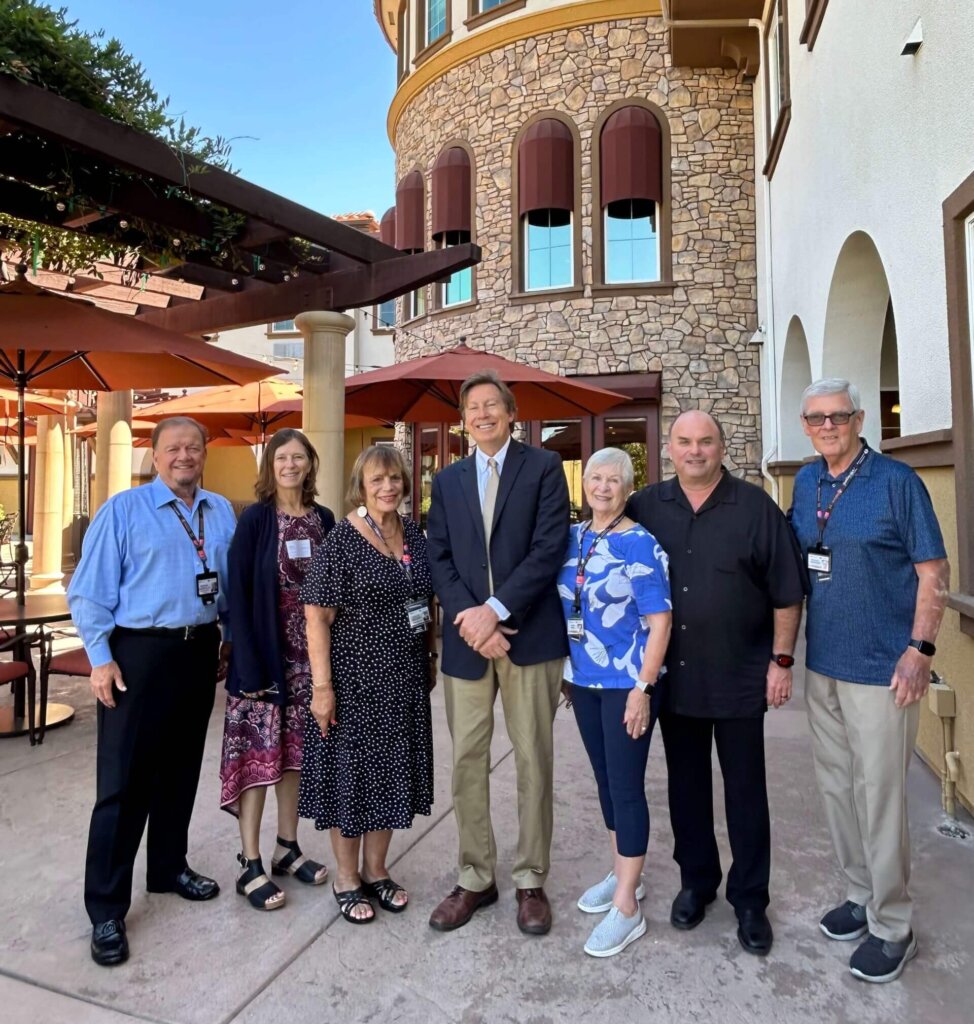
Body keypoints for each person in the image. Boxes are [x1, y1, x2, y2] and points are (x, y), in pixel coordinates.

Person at [627, 410, 806, 957]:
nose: (695, 451)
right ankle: (697, 883)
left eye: (706, 441)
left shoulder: (755, 509)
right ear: (670, 449)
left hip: (739, 677)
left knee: (746, 793)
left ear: (721, 447)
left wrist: (781, 660)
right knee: (685, 790)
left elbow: (787, 591)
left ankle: (750, 899)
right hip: (675, 681)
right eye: (684, 441)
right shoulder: (645, 507)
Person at [789, 378, 948, 983]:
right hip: (824, 663)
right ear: (805, 426)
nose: (827, 426)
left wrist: (920, 649)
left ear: (859, 419)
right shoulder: (807, 483)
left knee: (878, 796)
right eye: (816, 418)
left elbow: (933, 572)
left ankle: (893, 925)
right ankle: (860, 894)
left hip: (885, 670)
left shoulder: (897, 483)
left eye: (838, 416)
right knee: (836, 788)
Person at [68, 416, 235, 967]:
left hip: (196, 651)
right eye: (173, 448)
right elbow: (88, 592)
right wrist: (99, 659)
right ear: (156, 456)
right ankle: (107, 910)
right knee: (123, 783)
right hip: (137, 654)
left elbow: (228, 585)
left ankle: (167, 868)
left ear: (204, 452)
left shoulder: (221, 510)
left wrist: (228, 638)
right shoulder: (124, 510)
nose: (184, 455)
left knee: (181, 769)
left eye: (193, 446)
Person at [426, 369, 570, 936]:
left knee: (533, 756)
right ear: (462, 422)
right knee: (467, 761)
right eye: (472, 408)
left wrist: (498, 610)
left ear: (511, 413)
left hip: (528, 638)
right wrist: (473, 619)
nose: (482, 414)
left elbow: (549, 547)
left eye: (492, 405)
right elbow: (438, 555)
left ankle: (531, 878)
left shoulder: (544, 468)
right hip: (468, 643)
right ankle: (475, 876)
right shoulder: (450, 478)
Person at [299, 445, 435, 924]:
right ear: (361, 485)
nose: (388, 487)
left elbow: (426, 599)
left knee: (391, 775)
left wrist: (430, 654)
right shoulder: (342, 539)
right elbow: (316, 616)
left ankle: (377, 872)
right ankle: (346, 877)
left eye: (395, 478)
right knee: (352, 779)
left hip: (403, 678)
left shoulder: (414, 534)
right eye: (377, 479)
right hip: (353, 680)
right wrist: (322, 687)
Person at [559, 448, 672, 958]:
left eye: (614, 480)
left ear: (629, 488)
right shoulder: (574, 536)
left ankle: (627, 906)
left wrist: (643, 690)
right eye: (596, 477)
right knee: (605, 782)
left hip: (627, 684)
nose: (603, 487)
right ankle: (625, 871)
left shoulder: (640, 544)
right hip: (583, 682)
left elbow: (660, 623)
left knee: (626, 787)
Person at [220, 429, 334, 910]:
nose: (290, 465)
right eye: (281, 457)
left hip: (312, 664)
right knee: (256, 760)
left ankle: (287, 848)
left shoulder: (324, 519)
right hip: (264, 662)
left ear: (310, 464)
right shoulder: (256, 521)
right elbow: (236, 596)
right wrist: (246, 663)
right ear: (271, 466)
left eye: (298, 457)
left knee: (293, 759)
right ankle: (250, 863)